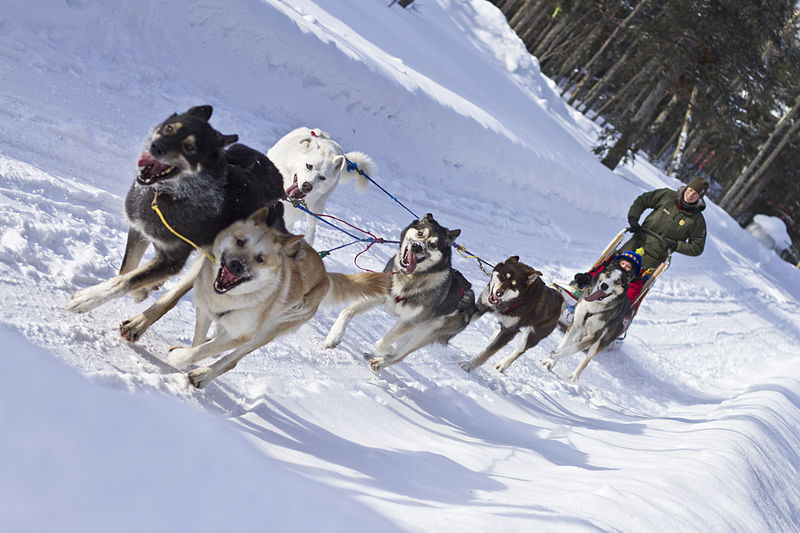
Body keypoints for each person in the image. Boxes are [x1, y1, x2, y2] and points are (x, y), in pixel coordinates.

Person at [622, 177, 709, 273]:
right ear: (686, 187)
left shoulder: (697, 221)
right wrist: (633, 218)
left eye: (695, 194)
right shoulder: (667, 196)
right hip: (638, 240)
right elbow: (643, 200)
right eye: (691, 190)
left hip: (656, 255)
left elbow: (697, 247)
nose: (690, 195)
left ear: (699, 198)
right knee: (617, 262)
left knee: (632, 276)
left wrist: (675, 245)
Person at [573, 249, 644, 306]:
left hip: (608, 305)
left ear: (633, 270)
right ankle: (572, 299)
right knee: (584, 286)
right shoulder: (609, 269)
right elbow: (596, 274)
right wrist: (587, 277)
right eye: (622, 263)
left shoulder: (634, 283)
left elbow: (628, 298)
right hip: (590, 294)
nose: (623, 267)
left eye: (628, 267)